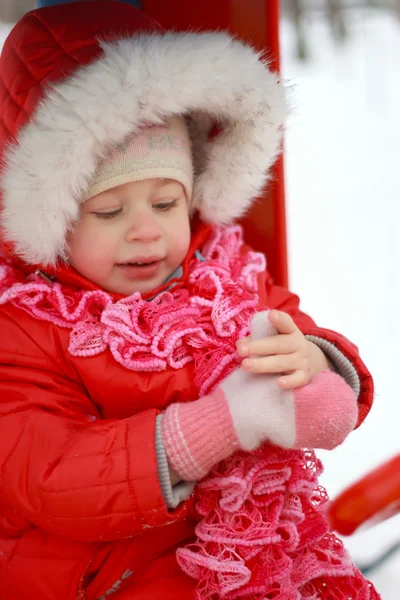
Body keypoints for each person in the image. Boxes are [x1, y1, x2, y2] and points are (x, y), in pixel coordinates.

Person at [0, 2, 379, 599]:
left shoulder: (221, 272)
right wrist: (214, 426)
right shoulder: (26, 323)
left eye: (165, 202)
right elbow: (50, 476)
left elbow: (290, 325)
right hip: (102, 571)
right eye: (108, 211)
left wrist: (318, 364)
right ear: (53, 218)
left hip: (250, 550)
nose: (145, 231)